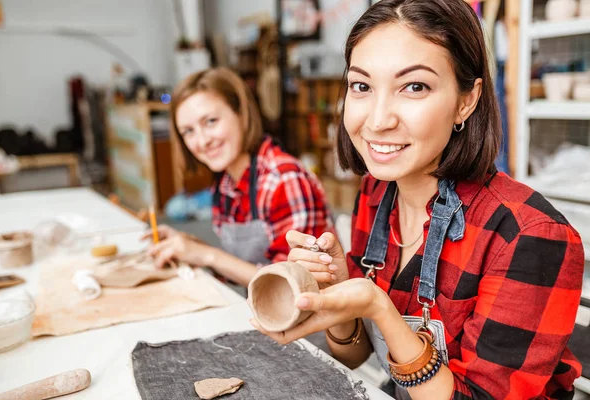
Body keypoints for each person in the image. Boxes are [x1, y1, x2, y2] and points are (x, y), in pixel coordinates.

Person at [251, 1, 585, 399]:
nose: (378, 120)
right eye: (362, 86)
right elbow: (356, 355)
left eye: (414, 87)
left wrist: (377, 307)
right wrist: (337, 294)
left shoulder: (529, 237)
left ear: (467, 100)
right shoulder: (378, 193)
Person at [145, 67, 333, 288]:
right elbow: (242, 267)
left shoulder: (283, 179)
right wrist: (188, 246)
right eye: (188, 131)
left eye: (211, 121)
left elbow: (295, 284)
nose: (202, 140)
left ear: (242, 114)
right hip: (264, 309)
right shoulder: (225, 183)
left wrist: (208, 255)